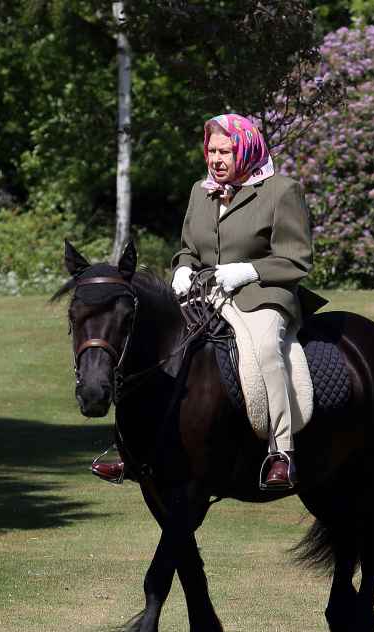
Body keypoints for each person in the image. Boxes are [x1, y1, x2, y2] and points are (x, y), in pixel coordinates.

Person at [92, 113, 320, 489]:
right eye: (211, 151)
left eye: (225, 151)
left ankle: (281, 452)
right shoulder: (202, 190)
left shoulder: (282, 191)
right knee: (145, 341)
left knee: (265, 349)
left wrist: (248, 271)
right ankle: (130, 450)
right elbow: (187, 250)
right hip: (204, 294)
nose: (216, 159)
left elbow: (297, 259)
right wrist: (181, 268)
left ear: (245, 149)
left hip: (261, 295)